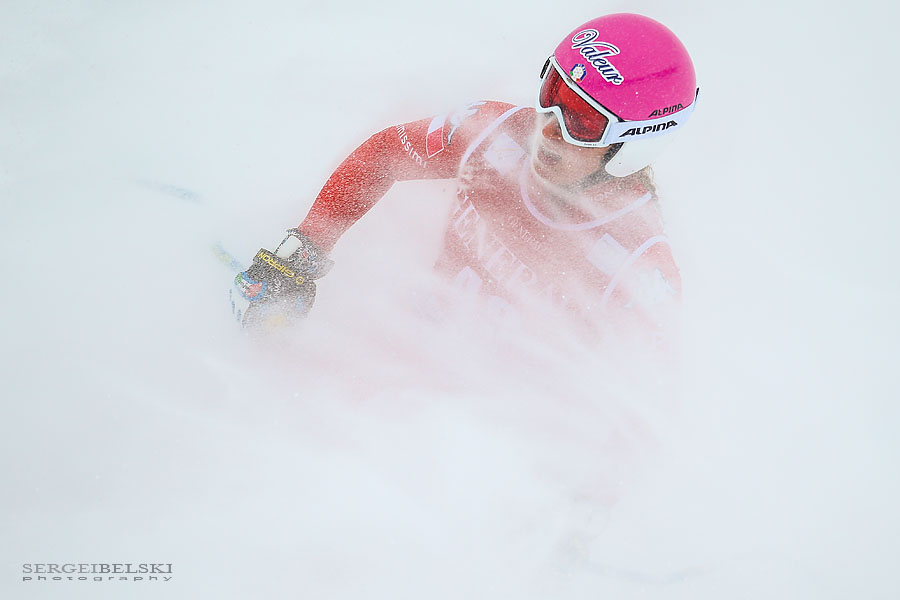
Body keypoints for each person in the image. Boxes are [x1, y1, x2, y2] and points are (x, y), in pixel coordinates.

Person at [230, 13, 699, 350]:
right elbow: (386, 154)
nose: (548, 127)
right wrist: (301, 255)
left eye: (583, 119)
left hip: (487, 431)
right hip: (409, 355)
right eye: (553, 92)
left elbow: (640, 411)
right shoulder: (493, 136)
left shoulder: (635, 263)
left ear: (635, 143)